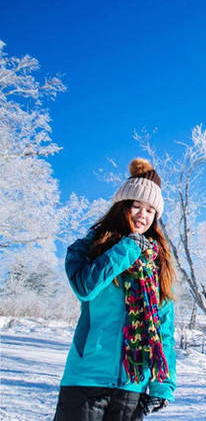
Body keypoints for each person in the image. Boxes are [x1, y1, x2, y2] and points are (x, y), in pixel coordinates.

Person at [53, 158, 177, 421]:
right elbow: (84, 287)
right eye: (136, 206)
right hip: (86, 380)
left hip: (132, 387)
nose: (143, 215)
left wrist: (162, 385)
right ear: (121, 207)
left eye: (150, 210)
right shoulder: (86, 248)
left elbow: (164, 330)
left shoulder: (158, 263)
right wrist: (127, 248)